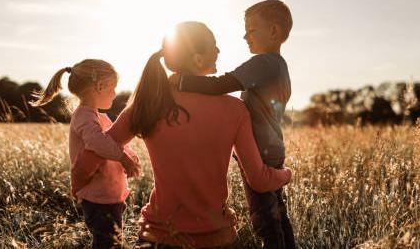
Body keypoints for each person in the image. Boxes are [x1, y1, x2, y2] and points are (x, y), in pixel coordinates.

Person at [72, 21, 292, 248]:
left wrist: (78, 185)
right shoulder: (235, 109)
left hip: (159, 237)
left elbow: (92, 154)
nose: (218, 51)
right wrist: (286, 174)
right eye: (214, 46)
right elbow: (259, 179)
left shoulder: (147, 104)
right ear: (197, 58)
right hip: (219, 239)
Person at [172, 0, 296, 248]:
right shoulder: (278, 66)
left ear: (273, 31)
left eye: (252, 30)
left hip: (260, 153)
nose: (245, 36)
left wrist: (180, 81)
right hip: (269, 150)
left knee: (266, 220)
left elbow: (221, 85)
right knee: (277, 215)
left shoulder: (265, 63)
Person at [31, 59, 141, 249]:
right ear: (99, 86)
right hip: (98, 198)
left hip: (109, 196)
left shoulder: (98, 116)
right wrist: (123, 157)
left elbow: (113, 140)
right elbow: (98, 142)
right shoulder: (84, 116)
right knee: (106, 244)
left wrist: (129, 154)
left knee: (112, 242)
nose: (115, 94)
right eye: (112, 88)